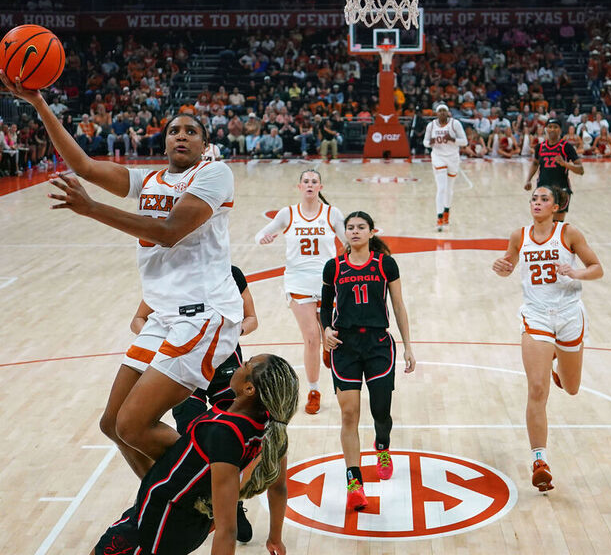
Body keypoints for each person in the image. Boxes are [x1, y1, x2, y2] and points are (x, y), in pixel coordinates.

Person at [0, 70, 243, 480]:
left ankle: (214, 487)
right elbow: (83, 166)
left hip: (203, 315)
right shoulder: (147, 180)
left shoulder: (213, 175)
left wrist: (92, 208)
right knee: (112, 425)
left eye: (191, 132)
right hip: (164, 317)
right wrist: (39, 103)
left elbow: (168, 232)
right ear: (164, 141)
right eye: (174, 131)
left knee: (133, 425)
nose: (181, 136)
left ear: (205, 145)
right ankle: (162, 501)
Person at [91, 354, 299, 555]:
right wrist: (275, 537)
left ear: (249, 389)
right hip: (179, 519)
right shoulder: (268, 426)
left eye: (246, 364)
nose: (240, 364)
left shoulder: (224, 434)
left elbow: (227, 530)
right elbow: (278, 488)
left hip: (158, 523)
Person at [131, 264, 258, 542]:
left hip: (224, 361)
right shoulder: (169, 273)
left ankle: (231, 500)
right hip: (185, 361)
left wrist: (233, 330)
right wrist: (163, 339)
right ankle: (196, 493)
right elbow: (138, 320)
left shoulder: (230, 273)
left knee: (232, 432)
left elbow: (251, 318)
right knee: (191, 433)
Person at [492, 185, 603, 492]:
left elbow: (597, 269)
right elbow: (508, 266)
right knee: (537, 388)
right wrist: (501, 267)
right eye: (534, 199)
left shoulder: (569, 233)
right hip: (536, 315)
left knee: (571, 387)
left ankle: (557, 364)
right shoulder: (519, 236)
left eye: (544, 199)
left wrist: (577, 273)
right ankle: (539, 460)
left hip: (569, 314)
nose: (537, 203)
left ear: (556, 207)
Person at [321, 211, 416, 511]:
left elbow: (398, 306)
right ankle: (354, 483)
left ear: (372, 232)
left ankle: (382, 446)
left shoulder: (385, 264)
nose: (355, 231)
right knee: (349, 414)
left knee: (380, 411)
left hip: (378, 345)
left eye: (361, 227)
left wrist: (408, 346)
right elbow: (325, 308)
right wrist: (326, 330)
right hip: (345, 346)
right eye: (350, 227)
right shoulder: (333, 267)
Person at [256, 169, 346, 414]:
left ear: (320, 187)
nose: (310, 184)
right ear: (299, 187)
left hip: (328, 282)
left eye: (314, 181)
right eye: (305, 181)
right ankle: (314, 391)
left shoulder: (332, 213)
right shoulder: (288, 214)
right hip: (298, 282)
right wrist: (264, 239)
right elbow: (259, 234)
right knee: (311, 338)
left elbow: (348, 242)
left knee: (329, 334)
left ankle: (327, 348)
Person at [524, 118, 583, 222]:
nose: (552, 129)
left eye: (555, 127)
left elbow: (581, 170)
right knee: (540, 222)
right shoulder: (540, 147)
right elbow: (535, 163)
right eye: (550, 127)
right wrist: (528, 180)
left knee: (557, 224)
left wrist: (565, 164)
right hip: (542, 189)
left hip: (561, 190)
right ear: (546, 129)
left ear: (560, 130)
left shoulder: (566, 147)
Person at [423, 103, 468, 231]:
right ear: (436, 113)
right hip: (438, 157)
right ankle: (439, 217)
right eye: (440, 111)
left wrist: (452, 139)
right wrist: (430, 143)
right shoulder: (431, 125)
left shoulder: (455, 124)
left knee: (449, 189)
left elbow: (464, 141)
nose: (442, 113)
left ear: (448, 112)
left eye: (444, 110)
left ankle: (446, 213)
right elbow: (425, 142)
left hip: (453, 158)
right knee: (441, 188)